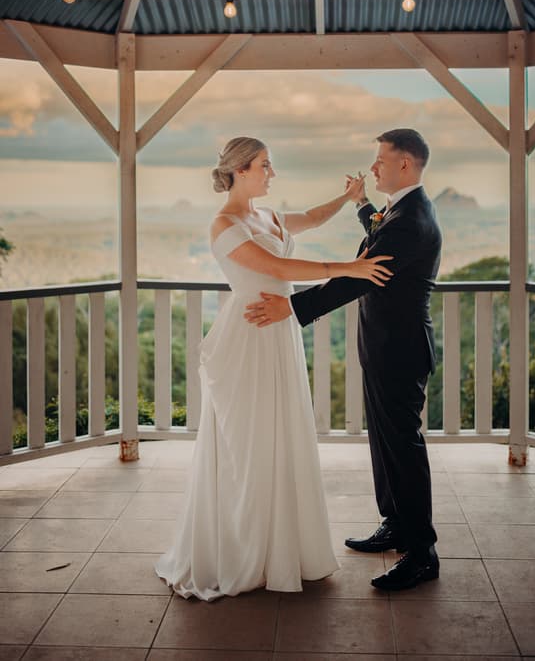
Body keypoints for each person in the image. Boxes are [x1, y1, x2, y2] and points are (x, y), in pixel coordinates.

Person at [155, 136, 392, 601]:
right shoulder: (224, 224)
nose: (272, 172)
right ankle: (243, 551)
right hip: (248, 336)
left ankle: (278, 549)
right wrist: (349, 268)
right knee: (248, 444)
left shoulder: (267, 216)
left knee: (279, 436)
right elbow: (276, 268)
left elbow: (311, 219)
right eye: (265, 165)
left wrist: (348, 199)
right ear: (240, 170)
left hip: (277, 331)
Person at [245, 128, 442, 591]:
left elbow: (359, 278)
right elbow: (380, 233)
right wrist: (360, 206)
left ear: (405, 166)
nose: (373, 168)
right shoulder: (401, 211)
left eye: (380, 160)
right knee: (385, 441)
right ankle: (394, 523)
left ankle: (421, 552)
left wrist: (292, 308)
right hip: (383, 346)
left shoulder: (412, 220)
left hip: (400, 349)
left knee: (404, 447)